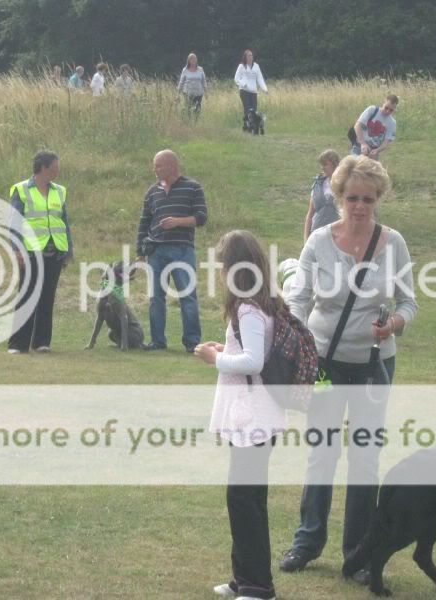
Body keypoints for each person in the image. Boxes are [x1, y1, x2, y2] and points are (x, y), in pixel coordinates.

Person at [279, 155, 418, 580]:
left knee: (365, 458)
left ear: (379, 199)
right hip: (325, 362)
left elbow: (408, 303)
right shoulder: (319, 241)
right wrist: (298, 341)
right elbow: (298, 299)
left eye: (368, 199)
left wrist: (393, 322)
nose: (360, 206)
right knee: (322, 452)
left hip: (375, 366)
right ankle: (308, 540)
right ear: (338, 196)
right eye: (352, 197)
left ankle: (357, 553)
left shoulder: (393, 243)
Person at [196, 229, 286, 600]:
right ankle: (246, 577)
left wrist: (215, 357)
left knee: (243, 500)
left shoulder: (248, 307)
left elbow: (253, 361)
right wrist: (225, 346)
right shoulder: (264, 303)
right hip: (258, 416)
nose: (219, 271)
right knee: (248, 498)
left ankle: (256, 585)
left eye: (222, 264)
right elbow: (250, 349)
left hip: (253, 418)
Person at [135, 149, 207, 353]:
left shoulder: (192, 188)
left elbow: (201, 217)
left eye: (158, 165)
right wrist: (140, 252)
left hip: (183, 250)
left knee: (188, 296)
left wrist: (177, 222)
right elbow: (144, 223)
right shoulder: (152, 192)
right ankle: (158, 342)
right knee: (156, 297)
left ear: (172, 166)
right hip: (156, 252)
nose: (154, 169)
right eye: (154, 165)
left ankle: (192, 342)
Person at [7, 150, 73, 354]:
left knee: (47, 297)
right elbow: (14, 222)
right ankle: (17, 344)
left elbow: (64, 221)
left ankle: (42, 341)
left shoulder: (59, 191)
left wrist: (68, 249)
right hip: (30, 251)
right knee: (27, 296)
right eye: (55, 166)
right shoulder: (21, 190)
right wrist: (16, 249)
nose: (58, 170)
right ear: (43, 168)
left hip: (55, 250)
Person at [304, 149, 341, 242]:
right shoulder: (318, 184)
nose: (322, 168)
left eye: (325, 164)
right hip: (316, 234)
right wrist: (306, 239)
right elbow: (310, 214)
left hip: (337, 237)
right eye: (321, 165)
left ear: (335, 165)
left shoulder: (345, 185)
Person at [351, 94, 398, 161]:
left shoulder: (392, 123)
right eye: (386, 108)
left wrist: (377, 150)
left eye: (391, 110)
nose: (388, 111)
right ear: (383, 102)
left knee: (371, 171)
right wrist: (363, 144)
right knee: (353, 169)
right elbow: (357, 126)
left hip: (373, 152)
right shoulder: (372, 110)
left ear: (395, 109)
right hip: (359, 147)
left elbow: (386, 141)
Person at [234, 49, 267, 130]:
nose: (250, 57)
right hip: (244, 91)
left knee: (254, 110)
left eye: (251, 55)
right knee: (247, 109)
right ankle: (247, 125)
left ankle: (252, 125)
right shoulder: (241, 66)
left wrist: (265, 89)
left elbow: (260, 79)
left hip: (253, 91)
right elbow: (236, 78)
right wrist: (243, 84)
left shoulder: (256, 66)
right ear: (245, 57)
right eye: (248, 56)